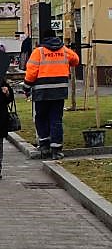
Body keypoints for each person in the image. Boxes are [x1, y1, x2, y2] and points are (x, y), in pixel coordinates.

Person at [23, 29, 79, 159]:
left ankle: (44, 146)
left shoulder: (39, 52)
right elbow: (75, 60)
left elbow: (31, 73)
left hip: (42, 92)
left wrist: (26, 88)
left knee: (41, 118)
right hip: (59, 92)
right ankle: (56, 149)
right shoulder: (64, 50)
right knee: (56, 119)